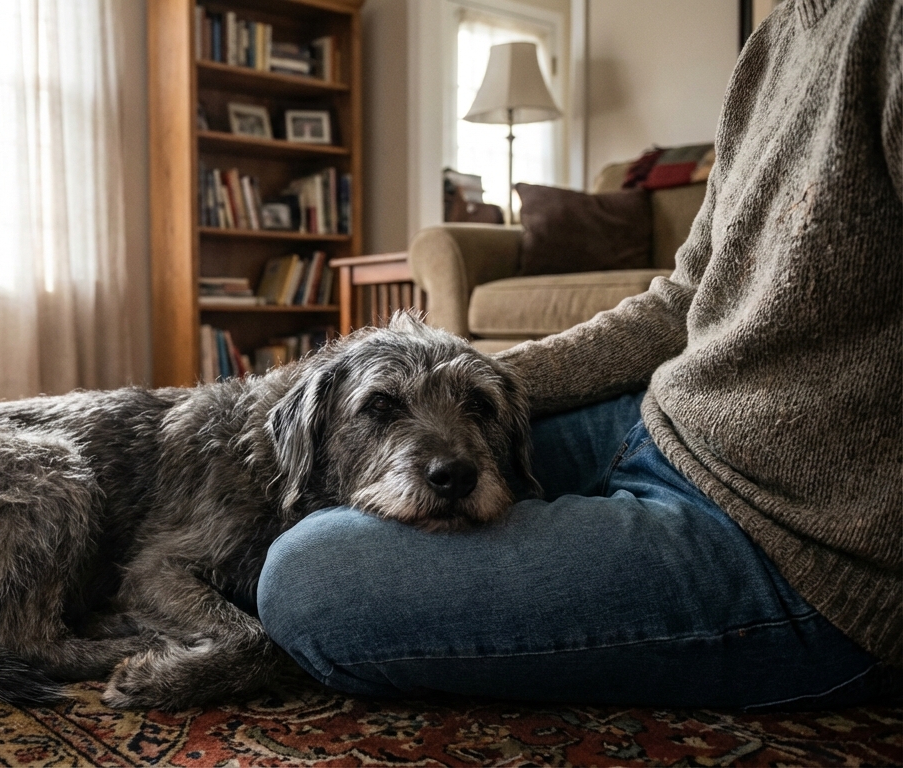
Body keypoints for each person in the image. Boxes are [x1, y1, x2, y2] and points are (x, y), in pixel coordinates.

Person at [256, 0, 901, 709]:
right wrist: (479, 383)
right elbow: (683, 298)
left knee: (306, 579)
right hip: (660, 424)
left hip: (799, 537)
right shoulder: (776, 41)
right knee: (308, 469)